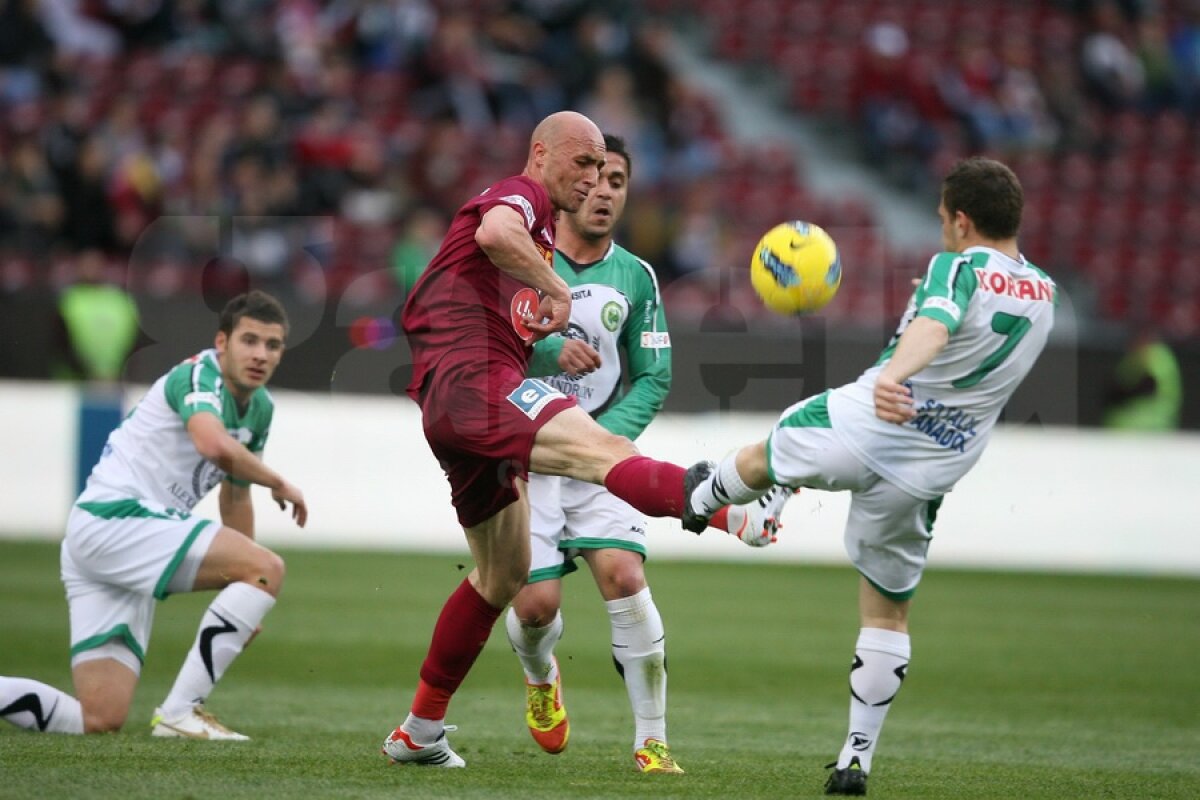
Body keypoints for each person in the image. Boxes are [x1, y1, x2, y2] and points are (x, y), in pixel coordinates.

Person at [384, 111, 791, 768]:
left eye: (607, 172)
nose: (594, 179)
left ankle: (418, 731)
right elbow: (494, 229)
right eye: (583, 164)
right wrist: (555, 292)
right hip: (479, 391)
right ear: (541, 154)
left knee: (502, 577)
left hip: (454, 408)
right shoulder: (522, 201)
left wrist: (536, 326)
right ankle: (729, 504)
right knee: (603, 458)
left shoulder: (585, 262)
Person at [680, 157, 1056, 796]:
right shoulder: (1046, 292)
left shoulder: (958, 265)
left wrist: (892, 375)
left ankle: (709, 501)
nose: (941, 231)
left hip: (876, 420)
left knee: (766, 451)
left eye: (942, 220)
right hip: (939, 462)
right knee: (886, 611)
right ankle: (856, 758)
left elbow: (935, 326)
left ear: (962, 221)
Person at [505, 134, 777, 774]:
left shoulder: (636, 275)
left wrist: (602, 439)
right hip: (524, 458)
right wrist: (547, 355)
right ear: (567, 183)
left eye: (618, 181)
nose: (604, 192)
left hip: (599, 460)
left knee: (626, 580)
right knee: (535, 610)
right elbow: (489, 353)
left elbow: (652, 377)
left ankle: (651, 742)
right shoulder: (517, 260)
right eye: (594, 177)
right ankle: (541, 677)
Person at [0, 290, 307, 740]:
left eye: (272, 345)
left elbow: (236, 496)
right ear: (222, 342)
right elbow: (212, 444)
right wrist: (277, 484)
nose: (261, 354)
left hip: (108, 543)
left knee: (98, 718)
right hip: (118, 517)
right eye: (250, 340)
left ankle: (174, 715)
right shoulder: (200, 375)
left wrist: (243, 591)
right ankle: (181, 714)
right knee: (269, 566)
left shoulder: (259, 408)